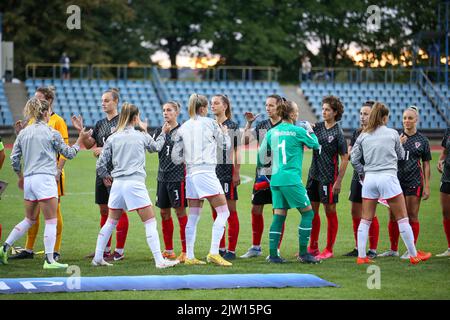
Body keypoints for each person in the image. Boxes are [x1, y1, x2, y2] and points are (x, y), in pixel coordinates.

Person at [0, 98, 89, 268]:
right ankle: (49, 260)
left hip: (30, 180)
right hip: (45, 179)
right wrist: (80, 140)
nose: (50, 115)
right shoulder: (50, 132)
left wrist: (20, 176)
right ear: (44, 112)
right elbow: (69, 153)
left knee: (29, 219)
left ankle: (4, 247)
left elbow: (14, 158)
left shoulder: (24, 133)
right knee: (51, 220)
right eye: (49, 112)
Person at [93, 103, 178, 269]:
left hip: (117, 184)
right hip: (134, 183)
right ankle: (159, 261)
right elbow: (156, 147)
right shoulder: (140, 135)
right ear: (135, 118)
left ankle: (97, 257)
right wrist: (163, 133)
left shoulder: (113, 137)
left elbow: (100, 164)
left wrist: (105, 176)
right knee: (150, 222)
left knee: (110, 222)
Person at [351, 102, 431, 265]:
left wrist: (363, 172)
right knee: (402, 218)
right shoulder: (393, 133)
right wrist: (399, 144)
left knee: (365, 219)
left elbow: (353, 158)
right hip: (388, 177)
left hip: (370, 179)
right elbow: (401, 155)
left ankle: (361, 256)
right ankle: (413, 254)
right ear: (385, 117)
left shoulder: (364, 134)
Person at [171, 93, 232, 266]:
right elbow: (225, 146)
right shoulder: (211, 123)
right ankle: (213, 252)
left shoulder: (183, 126)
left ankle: (190, 256)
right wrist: (225, 133)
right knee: (223, 212)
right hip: (205, 171)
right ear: (204, 108)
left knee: (194, 216)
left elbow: (176, 157)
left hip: (190, 174)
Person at [258, 100, 321, 264]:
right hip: (291, 179)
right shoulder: (298, 130)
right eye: (297, 110)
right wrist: (309, 130)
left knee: (279, 216)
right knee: (308, 213)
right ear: (292, 114)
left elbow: (261, 155)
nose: (298, 113)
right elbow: (315, 145)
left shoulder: (272, 132)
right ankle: (303, 253)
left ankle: (273, 255)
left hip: (276, 179)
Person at [10, 86, 69, 261]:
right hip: (35, 174)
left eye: (38, 98)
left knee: (54, 213)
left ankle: (55, 251)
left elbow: (65, 150)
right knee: (32, 215)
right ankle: (28, 249)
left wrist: (58, 170)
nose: (34, 101)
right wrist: (19, 133)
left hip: (51, 174)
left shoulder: (58, 121)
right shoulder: (32, 122)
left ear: (48, 101)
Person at [71, 88, 129, 261]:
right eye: (102, 100)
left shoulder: (123, 122)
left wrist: (103, 150)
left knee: (118, 210)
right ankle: (104, 249)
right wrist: (81, 131)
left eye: (107, 100)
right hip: (102, 171)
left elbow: (126, 146)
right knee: (104, 210)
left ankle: (119, 252)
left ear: (116, 101)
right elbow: (90, 145)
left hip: (118, 172)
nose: (103, 103)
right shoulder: (100, 123)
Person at [379, 106, 432, 259]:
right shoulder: (395, 136)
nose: (407, 121)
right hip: (395, 181)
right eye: (404, 118)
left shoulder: (422, 140)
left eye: (410, 118)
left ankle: (411, 250)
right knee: (392, 216)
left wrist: (427, 185)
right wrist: (398, 144)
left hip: (414, 181)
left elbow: (426, 163)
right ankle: (393, 249)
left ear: (416, 120)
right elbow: (386, 156)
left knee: (412, 215)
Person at [240, 94, 284, 259]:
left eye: (271, 105)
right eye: (266, 105)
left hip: (280, 173)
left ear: (279, 106)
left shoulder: (286, 125)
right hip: (262, 174)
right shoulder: (262, 125)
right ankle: (255, 247)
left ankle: (276, 249)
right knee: (256, 209)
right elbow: (244, 140)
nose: (267, 108)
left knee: (278, 211)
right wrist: (249, 124)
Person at [306, 96, 349, 260]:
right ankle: (313, 247)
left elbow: (345, 157)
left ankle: (329, 249)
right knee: (312, 212)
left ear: (335, 112)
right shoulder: (317, 128)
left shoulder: (338, 133)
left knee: (330, 211)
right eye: (323, 109)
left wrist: (338, 181)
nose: (324, 112)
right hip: (313, 176)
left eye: (327, 110)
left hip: (328, 178)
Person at [153, 101, 188, 262]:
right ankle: (168, 250)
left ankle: (186, 251)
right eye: (164, 110)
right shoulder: (159, 131)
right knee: (163, 212)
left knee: (180, 212)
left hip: (177, 178)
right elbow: (152, 148)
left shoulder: (184, 132)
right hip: (162, 178)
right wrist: (162, 133)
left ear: (177, 112)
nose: (165, 113)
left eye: (169, 110)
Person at [344, 101, 379, 258]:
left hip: (372, 177)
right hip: (357, 176)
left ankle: (373, 249)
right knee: (355, 212)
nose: (362, 117)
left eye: (366, 114)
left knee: (370, 213)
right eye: (361, 114)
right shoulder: (357, 132)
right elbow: (350, 152)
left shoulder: (378, 133)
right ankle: (359, 247)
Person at [210, 94, 241, 261]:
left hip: (227, 174)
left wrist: (236, 172)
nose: (212, 106)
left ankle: (232, 249)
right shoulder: (210, 125)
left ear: (225, 106)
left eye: (216, 103)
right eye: (211, 103)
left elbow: (237, 151)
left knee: (230, 212)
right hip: (211, 173)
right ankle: (219, 247)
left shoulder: (232, 126)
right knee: (216, 211)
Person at [436, 127, 450, 257]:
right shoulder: (448, 130)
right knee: (446, 212)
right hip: (447, 176)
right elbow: (445, 150)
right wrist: (441, 160)